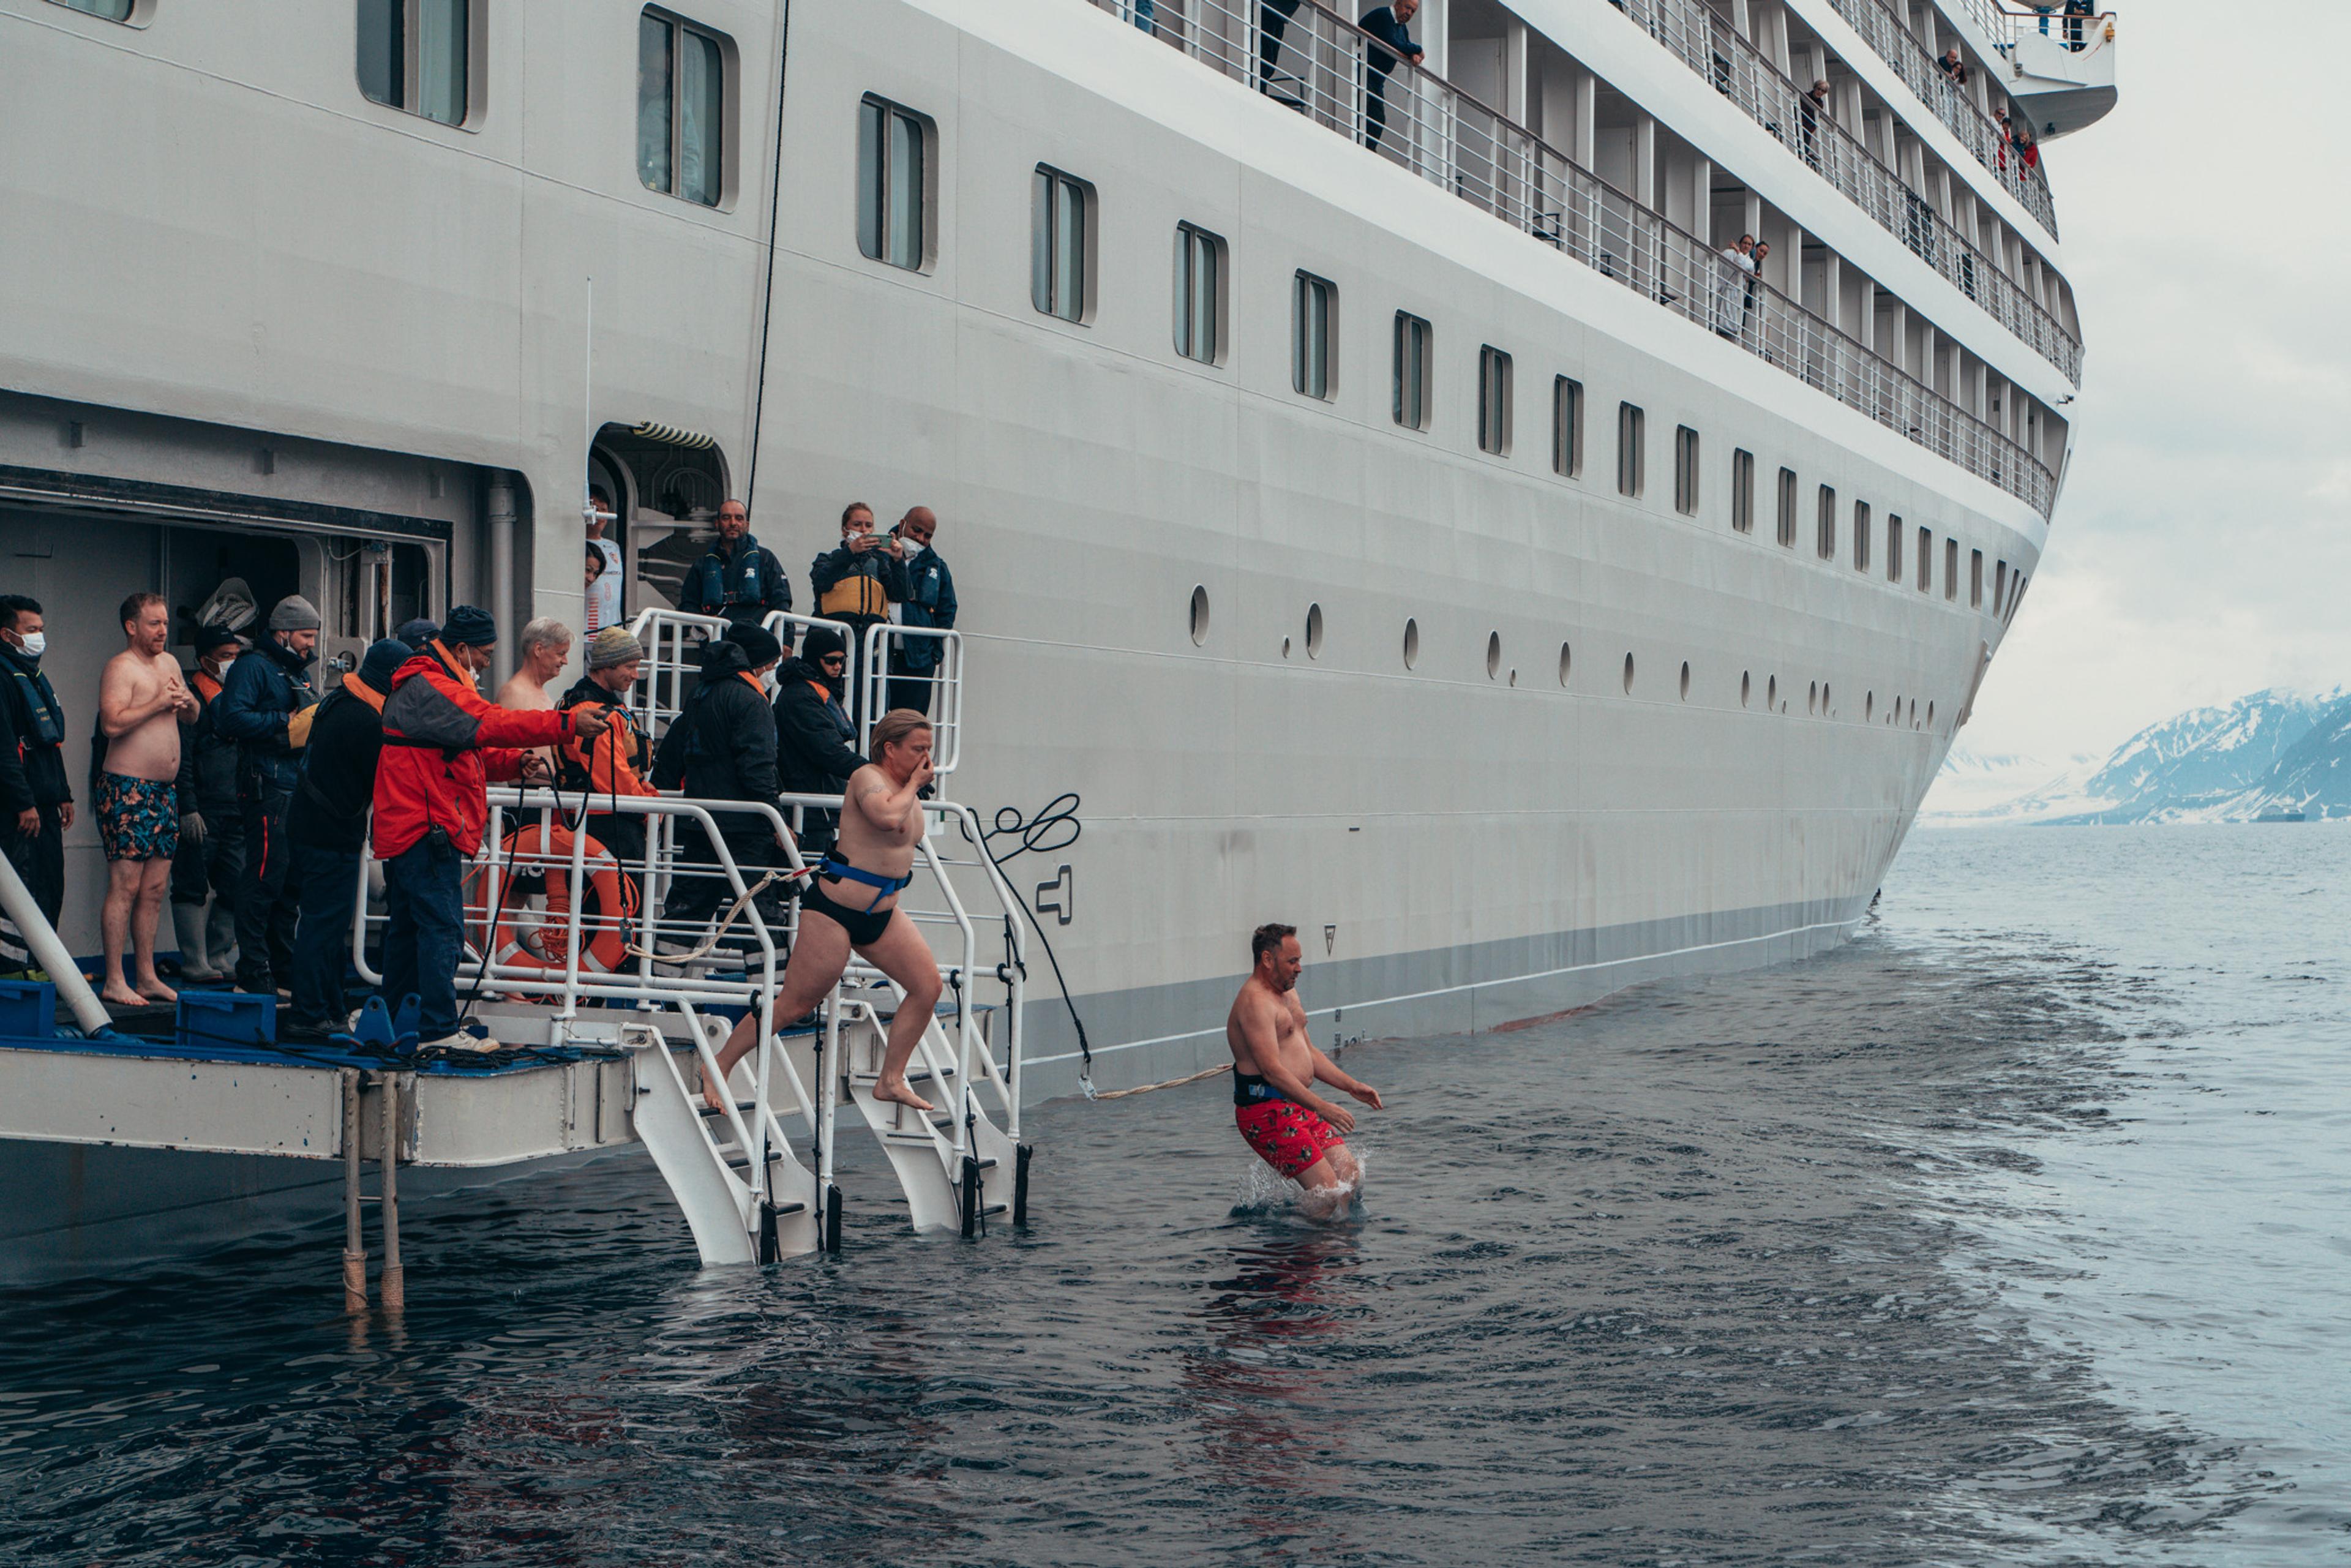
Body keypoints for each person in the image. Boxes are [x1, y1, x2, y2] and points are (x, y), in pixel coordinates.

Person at [372, 607, 609, 1051]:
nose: (485, 663)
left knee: (408, 929)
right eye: (483, 654)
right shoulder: (433, 686)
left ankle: (395, 1019)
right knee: (442, 928)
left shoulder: (427, 684)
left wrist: (512, 763)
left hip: (413, 825)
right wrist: (566, 724)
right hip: (426, 826)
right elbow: (490, 723)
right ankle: (439, 1028)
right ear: (460, 648)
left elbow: (461, 750)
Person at [704, 710, 939, 1114]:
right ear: (890, 748)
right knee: (796, 1002)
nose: (926, 758)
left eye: (929, 749)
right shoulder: (868, 778)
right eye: (918, 749)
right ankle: (719, 1063)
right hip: (834, 911)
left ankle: (891, 1078)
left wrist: (913, 785)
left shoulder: (907, 789)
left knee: (928, 986)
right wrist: (916, 784)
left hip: (883, 913)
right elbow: (884, 817)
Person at [282, 638, 407, 1036]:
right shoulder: (366, 721)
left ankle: (329, 1008)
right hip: (329, 836)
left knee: (326, 924)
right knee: (323, 925)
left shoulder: (340, 701)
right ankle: (309, 1012)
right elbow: (388, 779)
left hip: (310, 826)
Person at [1226, 923, 1382, 1217]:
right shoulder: (1255, 1003)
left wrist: (1351, 1086)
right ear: (1268, 960)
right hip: (1265, 1110)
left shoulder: (1287, 993)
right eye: (1292, 962)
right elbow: (1271, 1071)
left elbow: (1308, 1052)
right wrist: (1323, 1107)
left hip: (1294, 1104)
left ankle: (1331, 1240)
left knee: (1348, 1174)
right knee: (1326, 1192)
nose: (1299, 969)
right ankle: (1302, 1255)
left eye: (1300, 961)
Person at [93, 592, 199, 1009]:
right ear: (131, 627)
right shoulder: (121, 667)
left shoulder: (171, 664)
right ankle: (115, 978)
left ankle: (147, 974)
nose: (162, 631)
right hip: (127, 787)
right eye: (154, 624)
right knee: (126, 884)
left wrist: (187, 702)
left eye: (165, 624)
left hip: (163, 791)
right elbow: (111, 722)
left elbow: (191, 716)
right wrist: (157, 702)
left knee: (154, 888)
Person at [216, 594, 323, 997]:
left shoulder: (295, 672)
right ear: (283, 633)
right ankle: (253, 970)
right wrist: (285, 722)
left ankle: (281, 968)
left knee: (288, 884)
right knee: (262, 879)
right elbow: (231, 717)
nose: (311, 644)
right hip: (266, 785)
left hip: (295, 787)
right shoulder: (253, 667)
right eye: (306, 636)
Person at [650, 621, 785, 929]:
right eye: (773, 665)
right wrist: (776, 820)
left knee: (687, 909)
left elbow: (675, 754)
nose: (773, 672)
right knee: (760, 914)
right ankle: (772, 978)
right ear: (757, 664)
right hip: (745, 825)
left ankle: (661, 975)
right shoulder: (750, 702)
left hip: (702, 822)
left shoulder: (701, 694)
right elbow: (757, 768)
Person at [0, 597, 73, 978]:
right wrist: (23, 802)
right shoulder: (3, 677)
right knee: (19, 891)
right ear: (6, 634)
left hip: (46, 804)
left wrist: (63, 793)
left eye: (41, 630)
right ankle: (12, 973)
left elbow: (47, 741)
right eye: (31, 631)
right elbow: (5, 748)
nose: (39, 637)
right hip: (18, 810)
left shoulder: (32, 675)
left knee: (49, 885)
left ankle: (45, 969)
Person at [169, 624, 245, 985]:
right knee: (191, 883)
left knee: (235, 882)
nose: (233, 662)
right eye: (226, 656)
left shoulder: (241, 698)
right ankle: (194, 960)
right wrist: (188, 807)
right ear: (205, 660)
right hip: (201, 806)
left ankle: (219, 954)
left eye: (237, 655)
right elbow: (181, 758)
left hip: (236, 807)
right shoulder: (191, 700)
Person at [557, 625, 660, 869]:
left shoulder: (594, 706)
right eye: (630, 667)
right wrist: (647, 807)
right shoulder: (592, 713)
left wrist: (645, 792)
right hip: (605, 826)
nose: (636, 675)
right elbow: (613, 779)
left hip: (606, 821)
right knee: (620, 905)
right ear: (608, 665)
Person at [773, 625, 865, 864]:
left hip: (815, 808)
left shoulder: (814, 692)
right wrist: (883, 774)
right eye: (830, 661)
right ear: (815, 660)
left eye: (841, 661)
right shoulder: (801, 698)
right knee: (810, 886)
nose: (837, 667)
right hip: (808, 810)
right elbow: (829, 752)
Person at [810, 501, 910, 716]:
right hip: (837, 640)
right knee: (834, 699)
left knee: (871, 704)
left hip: (871, 643)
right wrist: (849, 554)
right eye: (858, 525)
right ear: (845, 529)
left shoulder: (880, 563)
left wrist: (897, 560)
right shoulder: (827, 559)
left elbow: (900, 594)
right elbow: (821, 582)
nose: (864, 530)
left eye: (868, 526)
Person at [678, 497, 792, 634]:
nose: (733, 523)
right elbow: (688, 604)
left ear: (747, 525)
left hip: (757, 638)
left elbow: (782, 603)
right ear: (717, 524)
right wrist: (703, 624)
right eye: (726, 518)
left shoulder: (765, 559)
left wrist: (787, 640)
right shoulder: (703, 564)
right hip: (717, 640)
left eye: (739, 518)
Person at [887, 506, 958, 718]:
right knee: (875, 721)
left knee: (910, 723)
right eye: (916, 530)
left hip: (917, 659)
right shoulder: (880, 555)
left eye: (928, 535)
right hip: (881, 653)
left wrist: (935, 653)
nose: (921, 538)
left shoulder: (937, 566)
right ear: (903, 525)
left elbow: (947, 609)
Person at [497, 616, 572, 778]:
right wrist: (562, 776)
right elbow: (510, 756)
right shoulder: (514, 692)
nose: (565, 661)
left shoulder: (537, 691)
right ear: (539, 650)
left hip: (547, 796)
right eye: (561, 653)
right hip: (530, 798)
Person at [1359, 0, 1423, 155]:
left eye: (1413, 11)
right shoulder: (1384, 16)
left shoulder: (1402, 28)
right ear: (1398, 4)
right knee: (1362, 111)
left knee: (1378, 118)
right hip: (1363, 71)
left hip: (1377, 79)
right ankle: (1361, 149)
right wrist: (1419, 49)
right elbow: (1393, 43)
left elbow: (1404, 45)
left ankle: (1368, 152)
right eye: (1407, 8)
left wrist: (1413, 53)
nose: (1409, 13)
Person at [583, 487, 623, 635]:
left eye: (604, 510)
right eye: (596, 509)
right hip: (586, 628)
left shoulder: (614, 547)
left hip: (612, 630)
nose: (600, 515)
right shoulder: (577, 544)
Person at [1259, 0, 1305, 90]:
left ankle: (1260, 87)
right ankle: (1259, 88)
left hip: (1278, 14)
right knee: (1266, 58)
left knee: (1269, 61)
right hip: (1268, 9)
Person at [1717, 233, 1754, 337]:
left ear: (1752, 248)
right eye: (1744, 243)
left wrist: (1738, 252)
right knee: (1717, 315)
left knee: (1732, 320)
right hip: (1722, 288)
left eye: (1749, 244)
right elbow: (1719, 267)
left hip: (1735, 293)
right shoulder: (1728, 253)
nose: (1746, 246)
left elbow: (1742, 266)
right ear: (1740, 243)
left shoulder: (1750, 262)